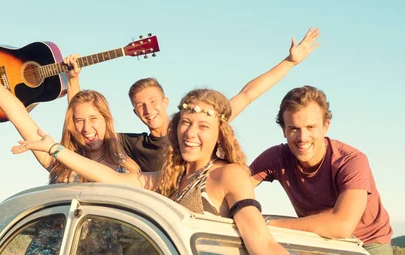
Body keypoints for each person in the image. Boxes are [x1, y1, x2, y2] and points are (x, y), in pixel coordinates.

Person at [11, 88, 378, 255]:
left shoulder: (228, 175)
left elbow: (264, 246)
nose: (191, 132)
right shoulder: (170, 178)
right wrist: (56, 150)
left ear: (219, 133)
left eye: (203, 127)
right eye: (186, 123)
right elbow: (112, 178)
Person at [63, 27, 322, 172]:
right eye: (140, 105)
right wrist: (74, 80)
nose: (148, 109)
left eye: (152, 101)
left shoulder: (195, 124)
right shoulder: (131, 144)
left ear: (165, 102)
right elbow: (83, 123)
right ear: (135, 113)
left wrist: (289, 62)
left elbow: (248, 94)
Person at [249, 86, 394, 255]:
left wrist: (268, 224)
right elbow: (232, 186)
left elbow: (341, 225)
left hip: (364, 245)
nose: (302, 137)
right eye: (294, 128)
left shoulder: (350, 161)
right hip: (316, 241)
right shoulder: (277, 157)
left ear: (326, 125)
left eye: (311, 127)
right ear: (284, 130)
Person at [0, 36, 139, 184]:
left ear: (106, 119)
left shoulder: (127, 168)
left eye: (93, 118)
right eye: (79, 121)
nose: (86, 128)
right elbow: (17, 114)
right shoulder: (58, 162)